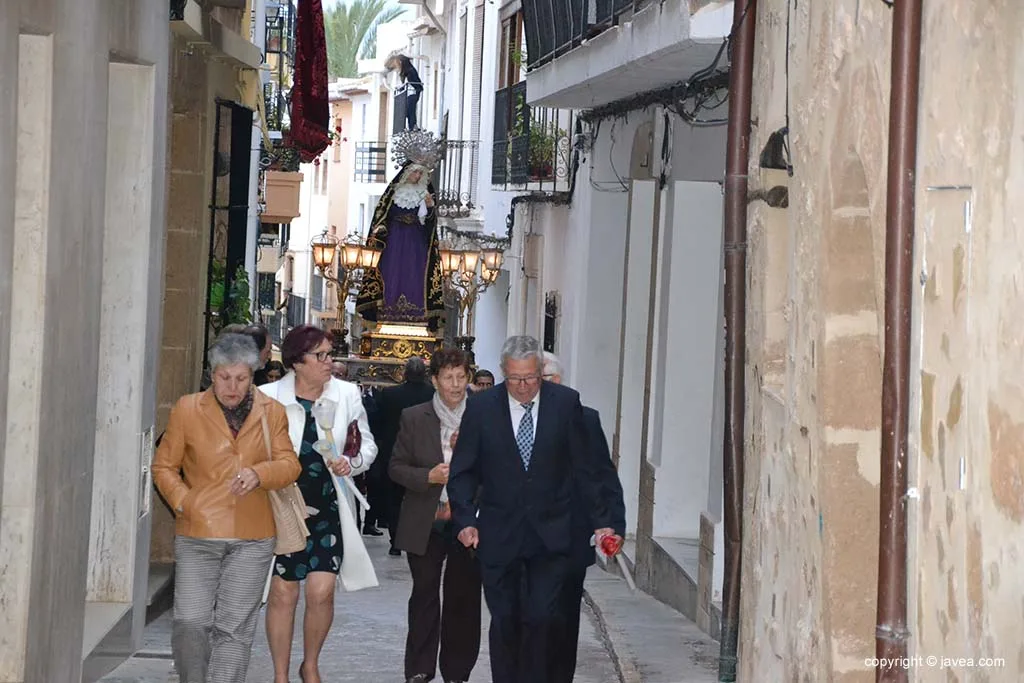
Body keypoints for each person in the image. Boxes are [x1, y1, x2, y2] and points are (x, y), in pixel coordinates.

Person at [447, 335, 618, 683]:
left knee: (542, 619)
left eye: (529, 378)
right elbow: (464, 471)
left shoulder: (565, 403)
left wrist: (604, 521)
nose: (523, 387)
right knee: (506, 620)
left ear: (540, 372)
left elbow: (587, 468)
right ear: (503, 373)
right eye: (514, 379)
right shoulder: (481, 409)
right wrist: (465, 519)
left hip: (552, 535)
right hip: (499, 534)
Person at [152, 333, 302, 683]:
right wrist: (185, 501)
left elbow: (289, 465)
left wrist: (260, 473)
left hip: (253, 536)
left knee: (234, 628)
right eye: (224, 377)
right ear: (212, 374)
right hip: (197, 532)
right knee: (191, 621)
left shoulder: (272, 412)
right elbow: (163, 467)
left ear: (253, 375)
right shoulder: (187, 409)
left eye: (241, 377)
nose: (232, 386)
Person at [259, 325, 379, 683]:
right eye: (321, 355)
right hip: (283, 505)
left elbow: (366, 445)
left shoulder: (347, 394)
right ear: (298, 362)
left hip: (329, 504)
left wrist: (352, 463)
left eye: (330, 354)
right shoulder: (267, 397)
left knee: (322, 590)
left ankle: (310, 663)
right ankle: (280, 674)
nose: (330, 362)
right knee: (283, 591)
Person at [390, 348, 483, 683]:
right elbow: (396, 466)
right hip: (425, 521)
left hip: (469, 522)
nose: (456, 385)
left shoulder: (484, 416)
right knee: (425, 593)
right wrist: (427, 476)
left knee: (464, 597)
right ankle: (419, 667)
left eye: (461, 377)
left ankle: (457, 671)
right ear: (434, 380)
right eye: (448, 377)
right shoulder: (415, 417)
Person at [541, 352, 626, 682]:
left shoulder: (586, 420)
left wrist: (613, 524)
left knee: (563, 617)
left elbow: (603, 476)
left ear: (556, 382)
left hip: (570, 539)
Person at [355, 162, 445, 330]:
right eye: (415, 172)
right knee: (391, 271)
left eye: (420, 173)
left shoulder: (424, 194)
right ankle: (387, 315)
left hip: (416, 241)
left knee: (415, 272)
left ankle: (417, 317)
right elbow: (381, 216)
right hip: (394, 241)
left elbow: (430, 224)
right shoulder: (393, 192)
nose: (417, 176)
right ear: (406, 173)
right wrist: (381, 228)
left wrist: (431, 207)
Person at [366, 357, 435, 552]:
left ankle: (395, 542)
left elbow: (378, 423)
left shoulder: (389, 394)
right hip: (424, 452)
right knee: (420, 498)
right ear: (425, 374)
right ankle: (416, 539)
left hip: (395, 451)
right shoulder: (432, 394)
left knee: (394, 499)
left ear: (404, 373)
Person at [386, 53, 424, 130]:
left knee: (410, 110)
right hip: (409, 93)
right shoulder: (406, 72)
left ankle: (413, 126)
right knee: (407, 111)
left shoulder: (410, 71)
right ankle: (412, 126)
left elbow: (414, 83)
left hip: (412, 93)